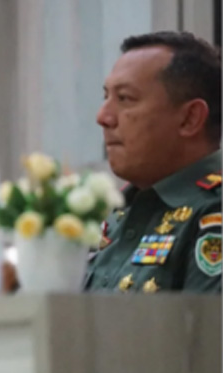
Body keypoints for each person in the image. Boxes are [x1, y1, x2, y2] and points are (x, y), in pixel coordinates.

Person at [85, 31, 221, 293]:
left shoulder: (213, 209)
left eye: (125, 98)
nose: (103, 117)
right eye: (106, 97)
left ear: (190, 119)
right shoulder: (119, 212)